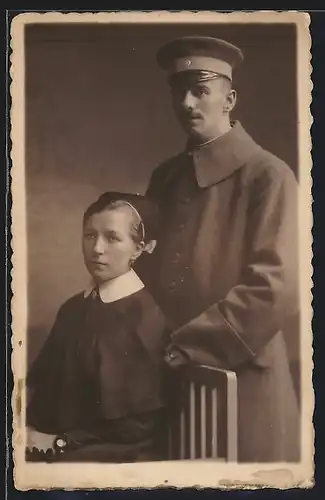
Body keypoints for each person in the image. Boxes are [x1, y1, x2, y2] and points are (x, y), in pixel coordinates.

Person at [143, 36, 300, 462]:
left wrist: (187, 346)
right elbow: (147, 270)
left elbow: (276, 287)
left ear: (229, 98)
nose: (187, 103)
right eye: (179, 91)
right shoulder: (166, 178)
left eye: (201, 90)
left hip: (242, 379)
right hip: (169, 381)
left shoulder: (269, 176)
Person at [26, 192, 170, 463]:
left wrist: (59, 441)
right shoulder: (73, 308)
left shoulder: (144, 318)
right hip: (58, 440)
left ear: (139, 248)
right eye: (90, 235)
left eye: (112, 238)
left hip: (118, 454)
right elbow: (44, 385)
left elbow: (132, 428)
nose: (97, 249)